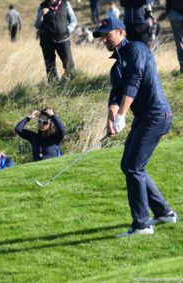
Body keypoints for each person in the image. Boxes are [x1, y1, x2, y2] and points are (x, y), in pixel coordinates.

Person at [93, 17, 179, 237]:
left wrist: (122, 115)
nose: (104, 39)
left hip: (156, 115)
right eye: (102, 36)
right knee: (129, 165)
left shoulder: (136, 49)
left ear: (121, 32)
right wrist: (111, 119)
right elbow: (115, 96)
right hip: (144, 118)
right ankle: (164, 212)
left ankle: (142, 225)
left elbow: (134, 81)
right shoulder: (115, 68)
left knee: (133, 167)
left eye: (107, 34)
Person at [35, 0, 77, 81]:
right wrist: (40, 16)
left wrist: (68, 29)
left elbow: (73, 19)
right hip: (47, 41)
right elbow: (37, 25)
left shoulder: (65, 3)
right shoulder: (42, 6)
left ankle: (72, 83)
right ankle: (54, 86)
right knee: (50, 66)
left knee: (69, 64)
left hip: (63, 39)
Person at [166, 0, 183, 73]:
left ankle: (182, 67)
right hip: (175, 14)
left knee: (179, 43)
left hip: (175, 14)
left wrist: (168, 12)